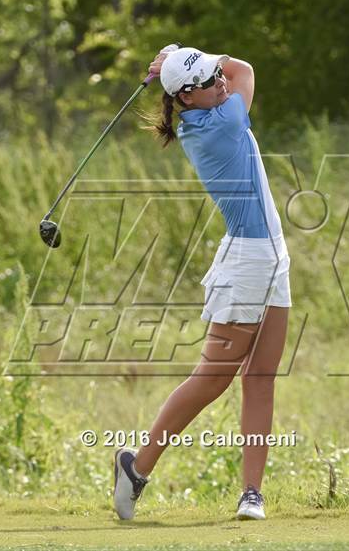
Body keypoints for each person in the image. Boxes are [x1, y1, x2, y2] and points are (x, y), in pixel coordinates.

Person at [113, 45, 292, 521]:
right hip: (248, 262)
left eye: (217, 75)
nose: (223, 82)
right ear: (187, 98)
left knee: (261, 379)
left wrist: (178, 57)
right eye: (212, 81)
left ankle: (251, 493)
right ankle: (136, 466)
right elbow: (246, 66)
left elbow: (229, 73)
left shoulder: (204, 108)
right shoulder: (222, 125)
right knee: (214, 378)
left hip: (272, 256)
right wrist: (175, 52)